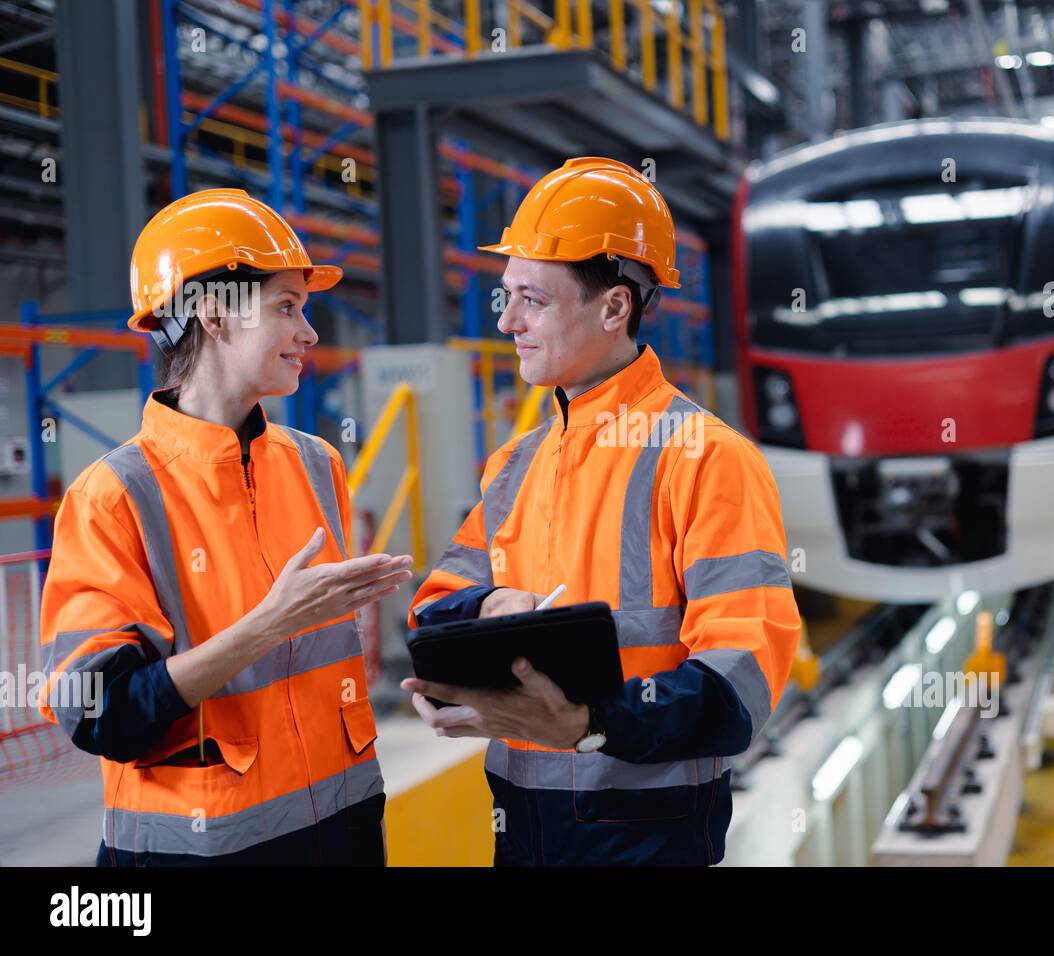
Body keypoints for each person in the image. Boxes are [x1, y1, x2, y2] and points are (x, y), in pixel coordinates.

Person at [401, 157, 801, 866]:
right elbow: (434, 607)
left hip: (651, 839)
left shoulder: (707, 457)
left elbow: (745, 678)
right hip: (523, 833)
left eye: (533, 299)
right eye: (506, 296)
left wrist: (588, 725)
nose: (508, 321)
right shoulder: (513, 465)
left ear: (615, 307)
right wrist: (490, 610)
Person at [38, 188, 412, 866]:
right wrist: (267, 624)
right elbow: (99, 711)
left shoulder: (316, 464)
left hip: (343, 827)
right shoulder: (113, 496)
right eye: (288, 308)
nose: (309, 334)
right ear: (213, 315)